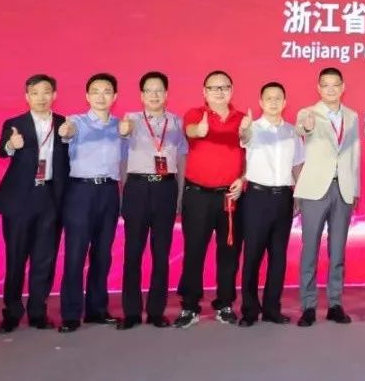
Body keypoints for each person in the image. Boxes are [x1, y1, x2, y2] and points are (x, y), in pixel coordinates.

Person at [0, 74, 69, 333]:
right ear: (27, 97)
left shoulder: (65, 124)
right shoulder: (15, 124)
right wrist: (10, 145)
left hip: (50, 197)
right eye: (35, 93)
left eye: (46, 92)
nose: (41, 98)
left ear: (54, 95)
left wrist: (71, 137)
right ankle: (12, 313)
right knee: (16, 258)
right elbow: (1, 150)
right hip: (20, 200)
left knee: (44, 259)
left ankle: (38, 312)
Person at [57, 73, 130, 333]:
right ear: (87, 96)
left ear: (115, 96)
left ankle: (97, 310)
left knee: (102, 254)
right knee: (75, 254)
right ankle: (70, 314)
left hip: (109, 192)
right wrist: (66, 131)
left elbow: (125, 161)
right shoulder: (75, 122)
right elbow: (67, 133)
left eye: (107, 91)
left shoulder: (121, 126)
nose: (101, 96)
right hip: (81, 192)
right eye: (96, 91)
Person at [175, 70, 247, 328]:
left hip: (230, 197)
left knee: (229, 253)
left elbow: (252, 155)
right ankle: (189, 306)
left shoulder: (243, 120)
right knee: (194, 251)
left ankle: (225, 303)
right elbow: (191, 130)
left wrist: (243, 179)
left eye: (224, 87)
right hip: (198, 196)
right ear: (204, 92)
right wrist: (201, 130)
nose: (219, 92)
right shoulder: (194, 114)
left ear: (232, 90)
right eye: (214, 88)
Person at [117, 71, 188, 330]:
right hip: (137, 188)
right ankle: (131, 312)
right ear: (142, 95)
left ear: (166, 94)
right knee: (132, 252)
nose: (154, 95)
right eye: (149, 90)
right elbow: (122, 159)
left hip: (165, 189)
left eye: (159, 90)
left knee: (161, 253)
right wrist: (123, 193)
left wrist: (180, 194)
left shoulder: (177, 123)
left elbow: (182, 159)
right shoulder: (130, 121)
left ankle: (157, 311)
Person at [294, 67, 360, 326]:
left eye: (335, 84)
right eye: (326, 85)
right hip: (314, 190)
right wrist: (306, 127)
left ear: (343, 87)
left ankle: (335, 303)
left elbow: (355, 154)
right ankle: (308, 305)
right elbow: (301, 129)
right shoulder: (308, 113)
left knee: (338, 251)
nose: (331, 89)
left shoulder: (352, 116)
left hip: (342, 189)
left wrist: (355, 189)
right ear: (319, 88)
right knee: (309, 249)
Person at [237, 82, 303, 327]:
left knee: (278, 257)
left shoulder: (292, 132)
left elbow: (297, 165)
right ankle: (249, 310)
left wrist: (299, 195)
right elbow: (244, 138)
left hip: (283, 197)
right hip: (257, 197)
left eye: (278, 98)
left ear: (285, 102)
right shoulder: (252, 128)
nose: (274, 102)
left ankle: (272, 308)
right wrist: (244, 130)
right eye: (269, 98)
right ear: (261, 102)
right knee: (252, 256)